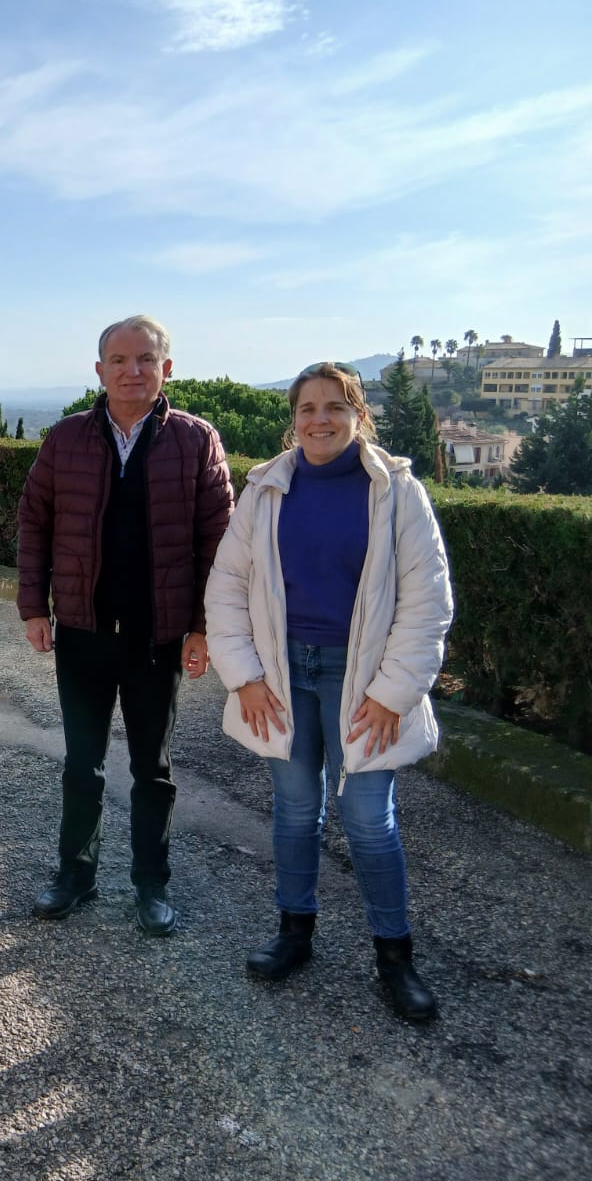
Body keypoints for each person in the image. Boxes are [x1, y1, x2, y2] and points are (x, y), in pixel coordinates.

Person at [203, 362, 453, 1022]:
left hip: (364, 679)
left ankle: (394, 957)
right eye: (307, 408)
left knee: (368, 817)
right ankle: (295, 933)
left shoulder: (397, 492)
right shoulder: (266, 489)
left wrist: (393, 693)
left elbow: (427, 602)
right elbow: (227, 587)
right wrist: (245, 676)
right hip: (283, 674)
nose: (320, 419)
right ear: (294, 419)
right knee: (294, 809)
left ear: (358, 416)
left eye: (335, 407)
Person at [17, 315, 232, 935]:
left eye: (145, 359)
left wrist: (202, 627)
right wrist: (34, 608)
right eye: (118, 360)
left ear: (167, 369)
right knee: (81, 763)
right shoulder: (66, 438)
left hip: (156, 637)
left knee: (152, 770)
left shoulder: (196, 440)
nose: (131, 371)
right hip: (82, 631)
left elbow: (219, 542)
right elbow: (34, 522)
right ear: (99, 370)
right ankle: (75, 875)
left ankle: (151, 884)